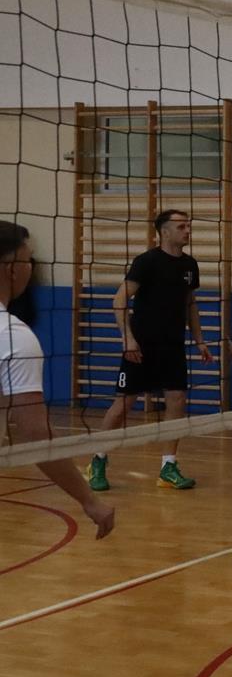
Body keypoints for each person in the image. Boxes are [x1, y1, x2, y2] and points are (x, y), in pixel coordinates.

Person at [0, 221, 115, 538]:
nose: (31, 269)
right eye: (29, 260)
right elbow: (36, 435)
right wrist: (90, 500)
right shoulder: (13, 336)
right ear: (12, 269)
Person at [86, 209, 212, 491]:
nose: (187, 230)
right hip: (140, 346)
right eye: (181, 226)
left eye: (188, 226)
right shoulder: (147, 262)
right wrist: (127, 339)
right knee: (123, 405)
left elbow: (190, 304)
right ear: (164, 231)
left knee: (177, 400)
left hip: (173, 346)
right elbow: (119, 299)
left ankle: (168, 467)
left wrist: (200, 340)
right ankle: (98, 459)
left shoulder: (189, 265)